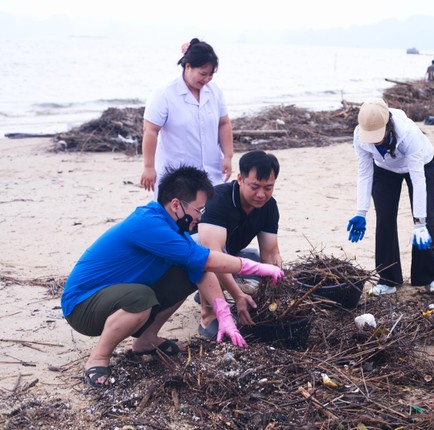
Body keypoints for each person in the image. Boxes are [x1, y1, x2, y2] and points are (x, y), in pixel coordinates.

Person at [61, 166, 284, 388]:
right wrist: (256, 268)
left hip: (114, 296)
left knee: (187, 274)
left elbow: (200, 268)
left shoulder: (175, 229)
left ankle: (146, 339)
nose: (200, 217)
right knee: (140, 297)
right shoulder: (148, 223)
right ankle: (98, 358)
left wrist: (222, 311)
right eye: (199, 210)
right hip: (82, 306)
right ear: (176, 204)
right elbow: (207, 259)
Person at [346, 98, 434, 296]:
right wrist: (361, 212)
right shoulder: (359, 135)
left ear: (387, 124)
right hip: (384, 169)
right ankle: (388, 278)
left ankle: (428, 276)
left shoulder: (408, 133)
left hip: (420, 165)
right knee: (384, 219)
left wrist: (419, 222)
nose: (374, 140)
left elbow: (418, 179)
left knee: (424, 217)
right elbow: (365, 173)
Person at [194, 150, 283, 337]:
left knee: (257, 260)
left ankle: (213, 289)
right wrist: (238, 296)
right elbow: (212, 256)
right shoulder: (218, 199)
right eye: (255, 186)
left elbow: (270, 253)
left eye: (268, 187)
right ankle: (208, 315)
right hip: (192, 258)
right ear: (240, 178)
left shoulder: (269, 206)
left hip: (230, 255)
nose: (261, 194)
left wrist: (276, 291)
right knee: (206, 253)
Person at [140, 38, 234, 197]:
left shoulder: (214, 92)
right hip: (177, 175)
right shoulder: (165, 94)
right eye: (203, 74)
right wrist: (149, 167)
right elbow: (150, 130)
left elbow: (224, 124)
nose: (207, 79)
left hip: (212, 171)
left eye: (211, 75)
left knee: (211, 216)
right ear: (188, 66)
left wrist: (228, 156)